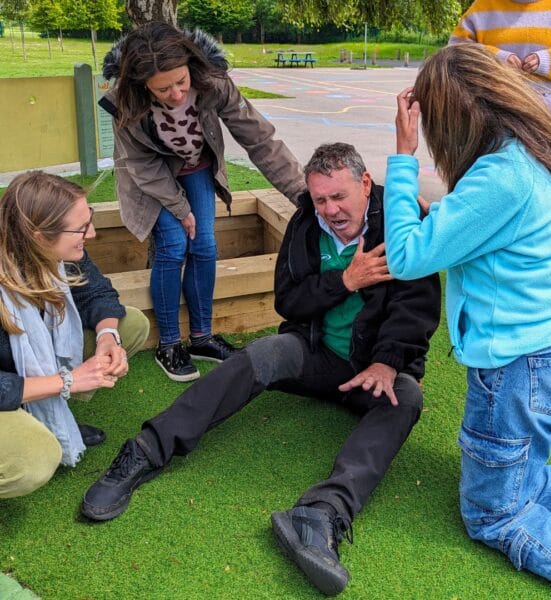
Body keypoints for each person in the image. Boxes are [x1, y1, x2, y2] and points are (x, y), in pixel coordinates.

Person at [80, 143, 441, 596]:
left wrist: (388, 363)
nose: (329, 210)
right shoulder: (307, 222)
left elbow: (418, 308)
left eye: (339, 197)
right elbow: (288, 302)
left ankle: (322, 514)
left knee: (406, 398)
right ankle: (146, 450)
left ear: (365, 184)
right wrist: (346, 280)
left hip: (371, 369)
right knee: (265, 351)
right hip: (316, 356)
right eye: (320, 200)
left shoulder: (403, 222)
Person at [384, 44, 551, 597]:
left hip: (517, 368)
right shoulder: (543, 143)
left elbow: (407, 257)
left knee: (496, 514)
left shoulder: (500, 178)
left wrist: (404, 155)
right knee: (529, 471)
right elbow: (498, 235)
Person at [100, 21, 306, 383]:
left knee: (205, 245)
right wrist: (180, 209)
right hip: (150, 179)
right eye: (163, 89)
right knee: (174, 245)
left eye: (181, 82)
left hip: (196, 167)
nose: (177, 94)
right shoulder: (124, 103)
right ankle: (168, 343)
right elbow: (143, 166)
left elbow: (260, 139)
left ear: (191, 66)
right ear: (140, 83)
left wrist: (302, 194)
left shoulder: (214, 81)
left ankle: (201, 338)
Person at [0, 171, 149, 500]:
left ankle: (49, 416)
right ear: (38, 236)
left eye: (89, 220)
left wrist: (107, 338)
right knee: (35, 460)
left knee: (131, 325)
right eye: (81, 228)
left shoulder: (49, 251)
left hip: (19, 377)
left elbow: (99, 293)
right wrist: (69, 381)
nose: (92, 233)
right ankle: (33, 423)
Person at [448, 0, 551, 118]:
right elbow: (456, 49)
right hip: (493, 99)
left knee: (540, 154)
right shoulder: (483, 5)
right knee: (494, 153)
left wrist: (549, 61)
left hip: (545, 103)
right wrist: (496, 59)